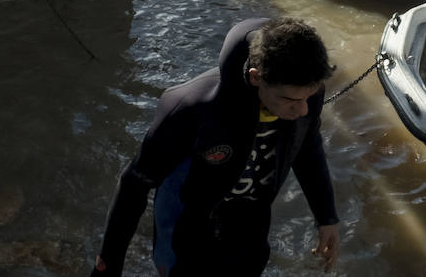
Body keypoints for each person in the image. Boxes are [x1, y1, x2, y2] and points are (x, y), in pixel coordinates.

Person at [91, 18, 341, 276]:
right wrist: (106, 266)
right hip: (187, 224)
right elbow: (134, 184)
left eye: (308, 98)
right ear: (257, 78)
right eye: (291, 100)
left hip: (250, 222)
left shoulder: (306, 94)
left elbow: (307, 148)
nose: (303, 110)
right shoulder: (191, 107)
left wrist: (326, 217)